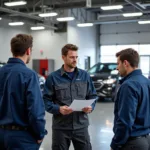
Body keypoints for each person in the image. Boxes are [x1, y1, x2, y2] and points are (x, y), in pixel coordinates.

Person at [43, 44, 97, 150]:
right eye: (72, 57)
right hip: (61, 128)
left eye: (76, 57)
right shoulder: (53, 78)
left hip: (81, 126)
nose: (75, 60)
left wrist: (90, 107)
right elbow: (45, 100)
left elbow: (93, 95)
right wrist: (58, 109)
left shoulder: (85, 76)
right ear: (63, 57)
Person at [0, 34, 47, 150]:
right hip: (22, 138)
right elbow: (35, 111)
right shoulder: (29, 75)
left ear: (12, 50)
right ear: (28, 50)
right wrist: (40, 133)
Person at [110, 48, 150, 150]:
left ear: (125, 63)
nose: (117, 68)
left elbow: (125, 121)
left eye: (118, 63)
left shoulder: (128, 85)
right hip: (146, 139)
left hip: (131, 143)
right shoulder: (146, 82)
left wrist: (116, 143)